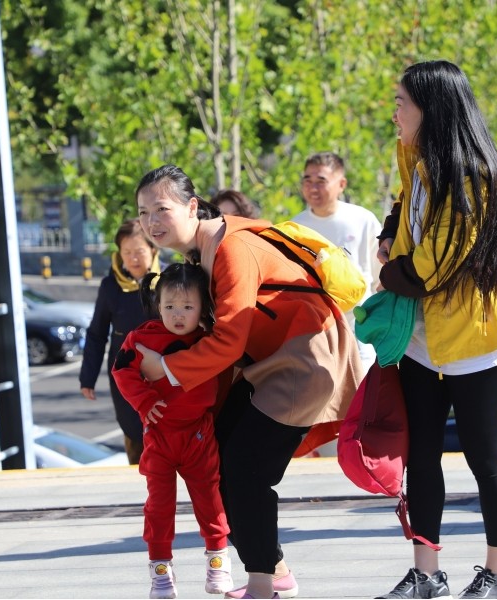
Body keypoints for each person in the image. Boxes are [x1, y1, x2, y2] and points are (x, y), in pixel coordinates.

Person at [133, 164, 362, 599]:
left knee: (244, 472)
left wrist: (166, 369)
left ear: (192, 207)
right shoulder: (203, 251)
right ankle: (277, 574)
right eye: (144, 213)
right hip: (272, 362)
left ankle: (263, 584)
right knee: (217, 461)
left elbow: (229, 340)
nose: (151, 221)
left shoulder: (230, 248)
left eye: (162, 209)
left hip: (302, 360)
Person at [374, 61, 497, 599]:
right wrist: (389, 233)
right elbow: (403, 207)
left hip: (475, 339)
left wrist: (387, 270)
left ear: (431, 109)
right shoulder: (415, 158)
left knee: (484, 455)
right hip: (422, 339)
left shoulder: (471, 177)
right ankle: (426, 573)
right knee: (421, 456)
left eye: (402, 103)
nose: (395, 112)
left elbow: (428, 270)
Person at [111, 262, 232, 599]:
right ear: (158, 305)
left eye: (188, 307)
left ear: (203, 308)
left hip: (199, 436)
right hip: (160, 438)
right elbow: (122, 371)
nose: (178, 315)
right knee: (159, 507)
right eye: (170, 307)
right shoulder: (141, 338)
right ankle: (160, 571)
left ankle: (218, 562)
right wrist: (144, 400)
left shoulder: (210, 340)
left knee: (210, 500)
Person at [291, 151, 383, 367]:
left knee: (363, 384)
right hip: (314, 329)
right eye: (308, 180)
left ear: (341, 184)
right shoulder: (295, 227)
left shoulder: (363, 219)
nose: (313, 188)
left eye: (321, 181)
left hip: (360, 325)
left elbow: (380, 275)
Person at [79, 218, 160, 464]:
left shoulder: (170, 280)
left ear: (153, 249)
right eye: (127, 252)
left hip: (165, 370)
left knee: (167, 431)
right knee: (135, 434)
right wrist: (88, 377)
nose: (133, 258)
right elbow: (97, 333)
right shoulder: (110, 286)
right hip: (126, 374)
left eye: (139, 251)